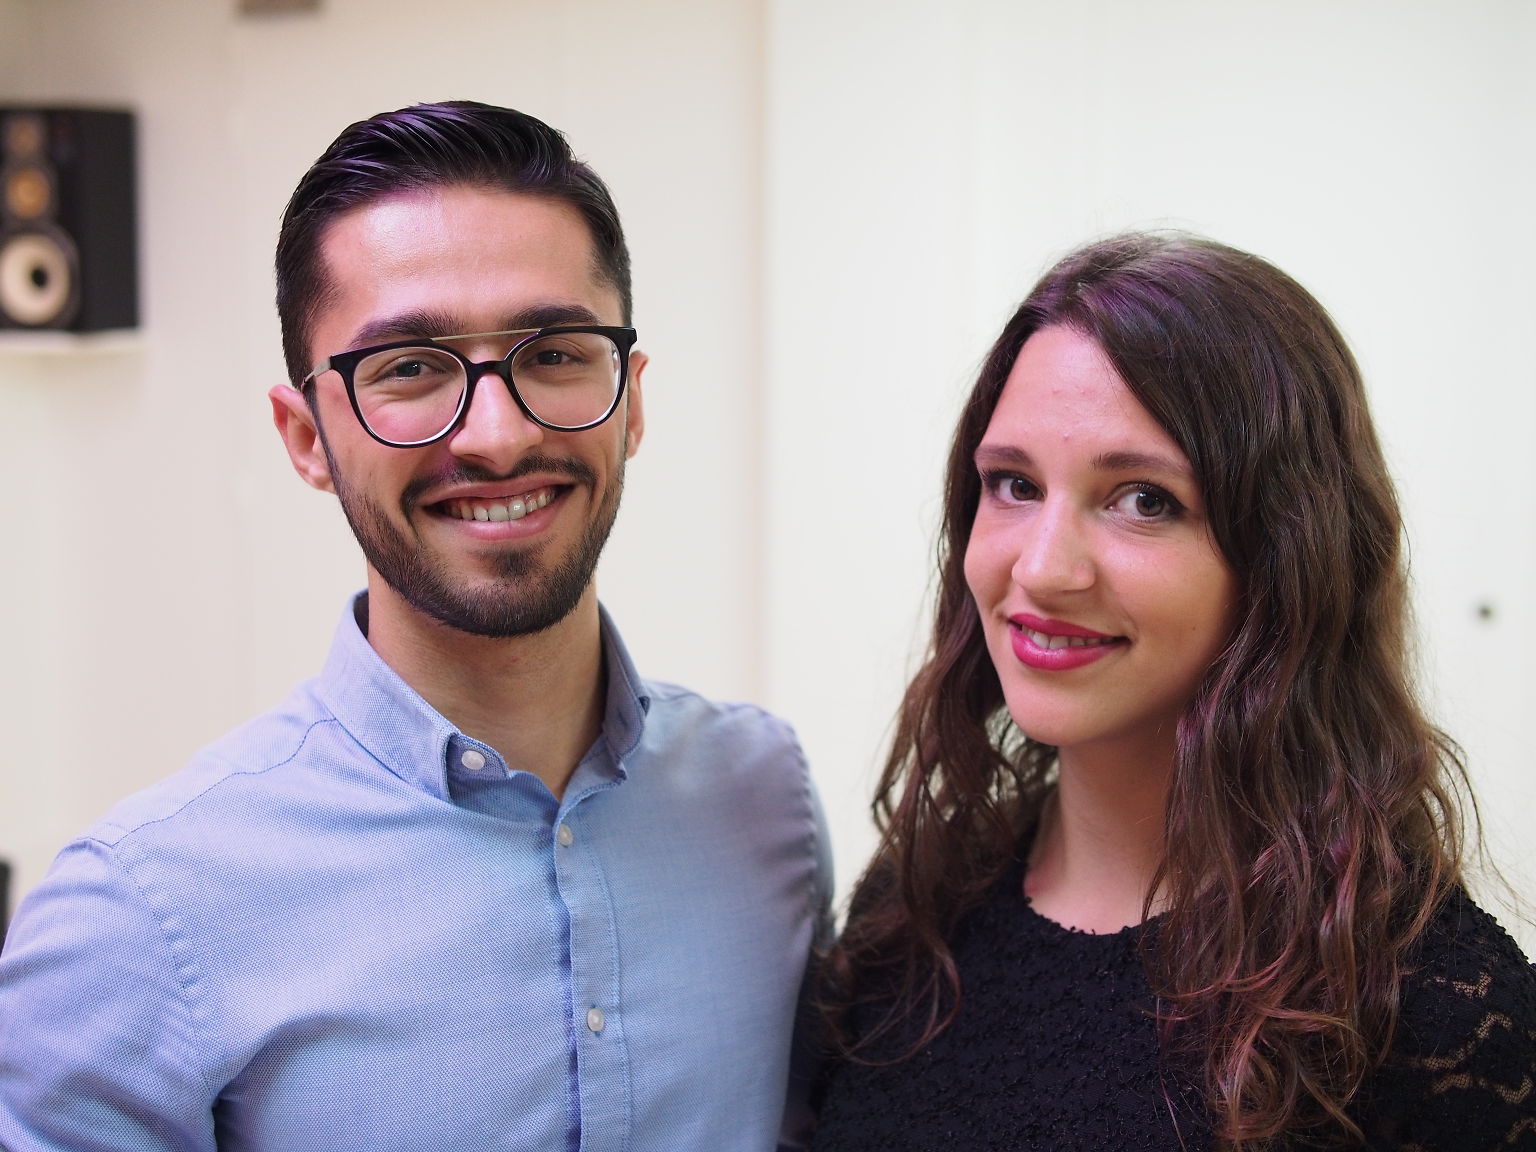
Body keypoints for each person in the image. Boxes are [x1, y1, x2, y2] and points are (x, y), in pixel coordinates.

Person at [0, 101, 830, 1151]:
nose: (499, 435)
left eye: (555, 353)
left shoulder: (762, 799)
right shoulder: (135, 918)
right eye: (409, 368)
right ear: (306, 437)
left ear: (630, 401)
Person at [810, 232, 1536, 1150]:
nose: (1042, 568)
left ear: (1287, 559)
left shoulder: (1426, 1008)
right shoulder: (915, 910)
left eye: (1143, 499)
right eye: (1014, 484)